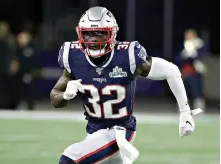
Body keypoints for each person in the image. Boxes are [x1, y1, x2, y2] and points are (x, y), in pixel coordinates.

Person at [50, 7, 201, 164]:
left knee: (68, 159)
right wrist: (66, 94)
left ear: (112, 33)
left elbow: (171, 70)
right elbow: (55, 98)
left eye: (99, 33)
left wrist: (185, 112)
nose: (93, 39)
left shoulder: (127, 55)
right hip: (93, 132)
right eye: (88, 33)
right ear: (80, 33)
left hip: (120, 132)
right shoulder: (72, 55)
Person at [178, 29, 207, 111]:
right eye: (186, 35)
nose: (187, 37)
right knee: (183, 91)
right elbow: (180, 59)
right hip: (185, 71)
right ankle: (183, 110)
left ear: (194, 36)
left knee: (196, 90)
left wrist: (191, 55)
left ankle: (199, 110)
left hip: (195, 72)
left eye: (189, 35)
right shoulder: (185, 44)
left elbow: (200, 57)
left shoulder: (199, 44)